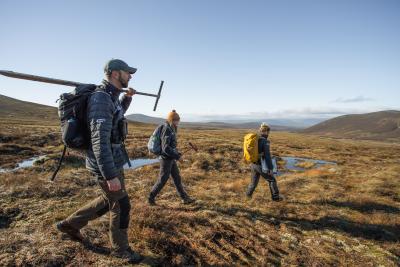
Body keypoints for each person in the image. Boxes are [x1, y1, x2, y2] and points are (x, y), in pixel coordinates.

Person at [56, 59, 143, 263]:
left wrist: (127, 99)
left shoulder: (110, 97)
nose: (130, 76)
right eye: (127, 72)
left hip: (113, 160)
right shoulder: (101, 98)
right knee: (121, 205)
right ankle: (121, 250)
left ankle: (70, 224)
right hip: (106, 164)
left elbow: (116, 116)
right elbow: (99, 140)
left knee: (108, 201)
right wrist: (110, 175)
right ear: (114, 74)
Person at [148, 110, 195, 205]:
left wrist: (177, 153)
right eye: (176, 120)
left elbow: (171, 147)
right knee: (162, 180)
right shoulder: (167, 129)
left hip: (170, 158)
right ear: (171, 120)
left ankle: (184, 198)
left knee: (177, 178)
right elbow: (165, 148)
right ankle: (150, 198)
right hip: (166, 159)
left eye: (178, 119)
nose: (178, 121)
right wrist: (178, 157)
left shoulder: (171, 128)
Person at [246, 123, 283, 201]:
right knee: (272, 180)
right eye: (268, 132)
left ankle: (248, 196)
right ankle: (276, 198)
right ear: (266, 132)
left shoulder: (256, 139)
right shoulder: (265, 141)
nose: (268, 133)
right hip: (261, 165)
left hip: (253, 164)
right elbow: (267, 156)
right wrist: (270, 168)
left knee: (253, 183)